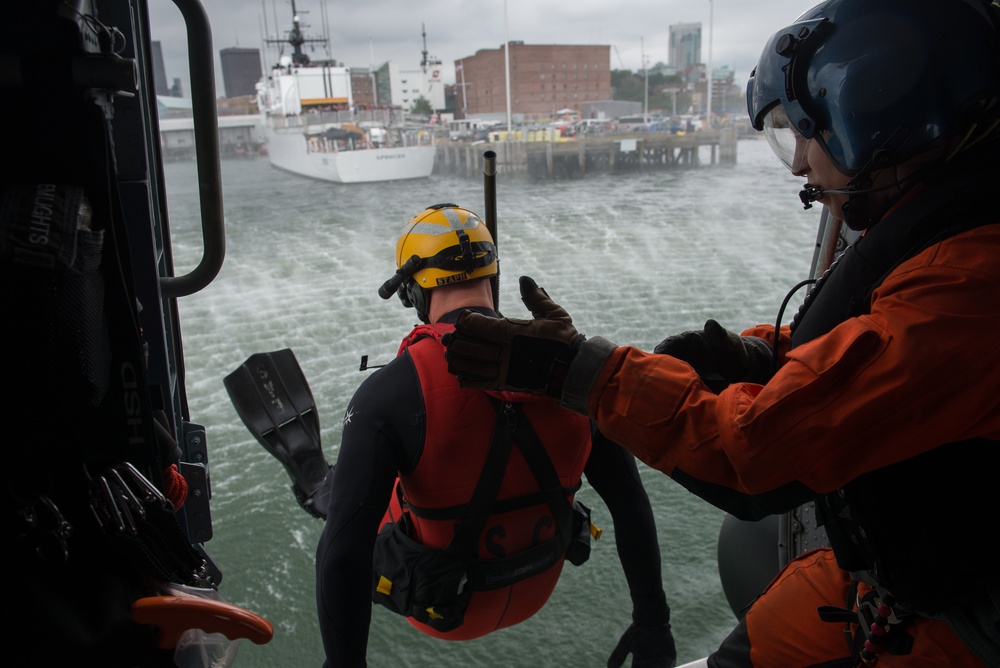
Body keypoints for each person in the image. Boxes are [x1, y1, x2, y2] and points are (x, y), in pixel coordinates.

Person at [441, 0, 1000, 666]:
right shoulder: (946, 236)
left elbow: (757, 454)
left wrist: (571, 370)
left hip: (964, 616)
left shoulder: (972, 286)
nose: (799, 165)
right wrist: (766, 356)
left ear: (871, 118)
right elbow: (873, 350)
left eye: (806, 133)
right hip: (892, 578)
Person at [257, 204, 676, 667]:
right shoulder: (574, 370)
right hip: (536, 583)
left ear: (412, 290)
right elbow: (630, 502)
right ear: (493, 278)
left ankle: (325, 489)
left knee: (346, 518)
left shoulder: (387, 394)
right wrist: (653, 622)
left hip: (443, 608)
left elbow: (342, 556)